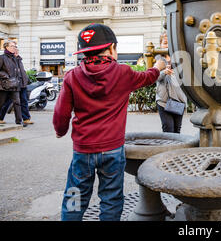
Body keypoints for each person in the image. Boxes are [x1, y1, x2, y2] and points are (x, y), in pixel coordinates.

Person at [53, 23, 166, 221]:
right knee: (111, 198)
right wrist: (158, 67)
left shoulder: (72, 77)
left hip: (83, 150)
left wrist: (60, 131)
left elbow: (61, 114)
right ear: (112, 48)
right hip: (112, 150)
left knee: (75, 196)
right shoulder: (123, 73)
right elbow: (147, 77)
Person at [155, 31, 187, 133]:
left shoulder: (180, 58)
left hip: (179, 100)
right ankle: (169, 149)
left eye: (170, 42)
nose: (167, 45)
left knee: (177, 130)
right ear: (160, 45)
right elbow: (154, 77)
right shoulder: (158, 60)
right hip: (164, 101)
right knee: (168, 129)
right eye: (165, 42)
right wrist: (164, 72)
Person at [0, 47, 33, 125]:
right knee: (6, 102)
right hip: (12, 84)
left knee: (23, 101)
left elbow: (22, 71)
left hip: (21, 84)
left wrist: (26, 79)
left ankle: (26, 118)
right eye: (14, 50)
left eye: (17, 50)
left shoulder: (19, 59)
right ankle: (1, 117)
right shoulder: (8, 59)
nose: (16, 51)